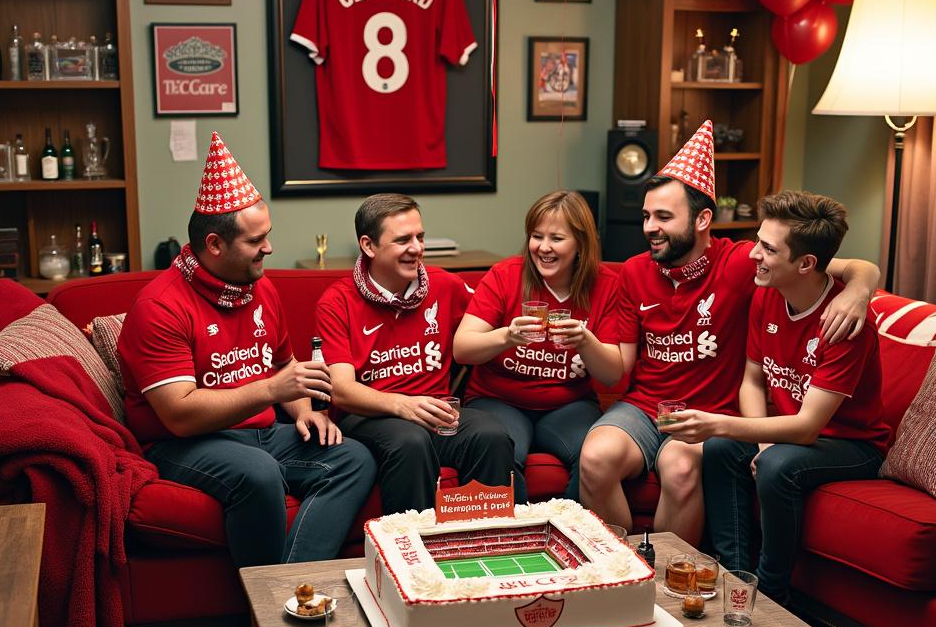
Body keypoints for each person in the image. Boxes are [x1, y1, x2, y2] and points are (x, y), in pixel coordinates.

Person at [116, 133, 376, 627]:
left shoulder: (258, 288)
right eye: (257, 242)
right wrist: (272, 390)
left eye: (268, 238)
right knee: (256, 475)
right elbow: (180, 415)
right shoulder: (159, 307)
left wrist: (306, 411)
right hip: (184, 442)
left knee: (353, 456)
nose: (268, 250)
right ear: (214, 244)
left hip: (260, 433)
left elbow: (284, 366)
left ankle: (281, 610)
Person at [578, 120, 879, 547]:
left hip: (714, 413)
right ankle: (616, 571)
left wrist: (862, 290)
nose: (649, 227)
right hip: (645, 408)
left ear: (703, 219)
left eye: (664, 216)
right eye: (646, 216)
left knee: (682, 469)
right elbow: (618, 370)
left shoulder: (745, 263)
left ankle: (663, 588)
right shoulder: (634, 271)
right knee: (595, 457)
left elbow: (841, 264)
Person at [662, 191, 888, 603]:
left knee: (776, 465)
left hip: (853, 443)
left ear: (805, 263)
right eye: (757, 242)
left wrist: (724, 425)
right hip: (793, 434)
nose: (753, 255)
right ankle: (734, 577)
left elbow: (806, 428)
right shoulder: (767, 292)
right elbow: (752, 382)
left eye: (767, 248)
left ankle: (773, 595)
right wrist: (759, 439)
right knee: (720, 449)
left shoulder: (845, 324)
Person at [316, 193, 514, 514]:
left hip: (435, 411)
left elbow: (493, 322)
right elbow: (341, 391)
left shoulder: (445, 285)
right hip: (369, 416)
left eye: (420, 237)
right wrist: (401, 405)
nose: (417, 248)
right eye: (403, 240)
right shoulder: (337, 301)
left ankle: (488, 541)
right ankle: (412, 554)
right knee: (410, 441)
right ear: (369, 246)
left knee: (490, 434)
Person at [453, 191, 622, 501]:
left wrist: (585, 341)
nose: (543, 248)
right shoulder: (505, 275)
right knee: (499, 451)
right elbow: (462, 347)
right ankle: (516, 539)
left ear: (580, 244)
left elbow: (612, 374)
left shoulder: (606, 284)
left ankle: (570, 538)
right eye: (536, 236)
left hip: (569, 404)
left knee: (594, 455)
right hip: (497, 399)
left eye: (556, 238)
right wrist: (506, 336)